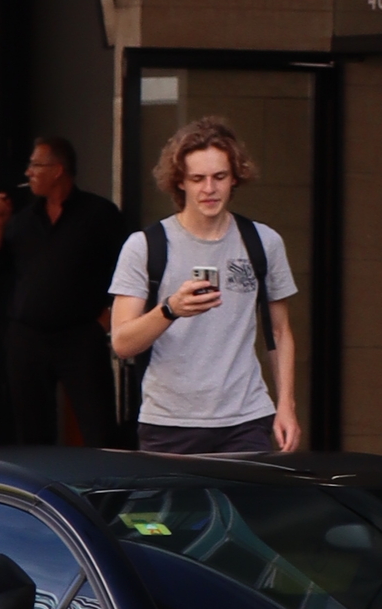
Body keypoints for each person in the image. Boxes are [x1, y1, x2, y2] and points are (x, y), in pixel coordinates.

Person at [110, 117, 300, 455]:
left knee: (246, 509)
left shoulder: (263, 242)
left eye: (219, 177)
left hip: (246, 417)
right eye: (197, 178)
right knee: (174, 510)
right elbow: (122, 342)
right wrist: (170, 310)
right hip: (169, 422)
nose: (209, 189)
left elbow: (281, 332)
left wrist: (286, 404)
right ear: (179, 182)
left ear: (235, 177)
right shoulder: (145, 246)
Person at [0, 137, 127, 447]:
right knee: (32, 433)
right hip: (28, 338)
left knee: (99, 428)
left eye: (36, 165)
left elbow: (129, 269)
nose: (29, 173)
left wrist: (106, 318)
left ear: (58, 170)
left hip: (80, 336)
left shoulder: (98, 214)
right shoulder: (23, 221)